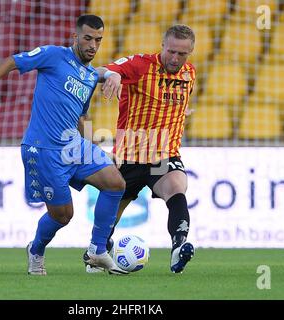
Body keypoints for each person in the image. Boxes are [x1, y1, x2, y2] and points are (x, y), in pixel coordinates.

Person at [0, 15, 128, 275]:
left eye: (98, 40)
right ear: (75, 37)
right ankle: (36, 249)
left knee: (116, 183)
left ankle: (98, 250)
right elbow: (12, 61)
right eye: (87, 38)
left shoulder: (88, 76)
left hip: (74, 146)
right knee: (63, 216)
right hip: (43, 151)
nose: (93, 45)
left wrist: (91, 148)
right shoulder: (53, 55)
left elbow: (80, 116)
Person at [87, 24, 196, 274]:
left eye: (182, 54)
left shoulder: (190, 73)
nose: (175, 58)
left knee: (176, 187)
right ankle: (96, 252)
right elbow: (99, 71)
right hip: (129, 156)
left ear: (190, 52)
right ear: (162, 45)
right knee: (112, 213)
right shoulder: (140, 65)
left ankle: (179, 246)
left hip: (165, 153)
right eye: (171, 51)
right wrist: (112, 74)